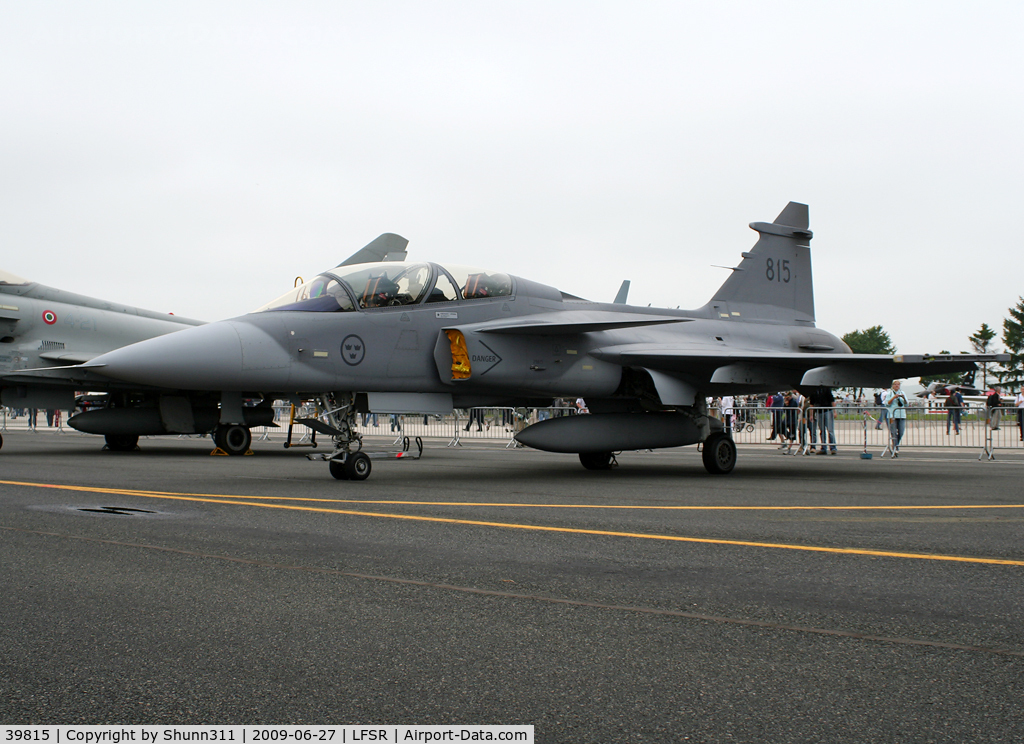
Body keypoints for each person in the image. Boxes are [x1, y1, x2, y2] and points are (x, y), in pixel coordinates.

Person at [883, 379, 909, 456]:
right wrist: (894, 397)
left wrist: (903, 398)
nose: (897, 386)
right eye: (895, 384)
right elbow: (887, 404)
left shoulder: (902, 392)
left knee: (901, 432)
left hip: (901, 415)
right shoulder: (889, 393)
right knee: (893, 432)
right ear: (892, 385)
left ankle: (895, 444)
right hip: (892, 415)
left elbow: (906, 404)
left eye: (898, 384)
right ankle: (895, 447)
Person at [810, 386, 837, 454]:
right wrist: (811, 414)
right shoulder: (813, 391)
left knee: (830, 430)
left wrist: (834, 411)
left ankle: (833, 447)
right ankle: (823, 448)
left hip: (827, 410)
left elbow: (832, 400)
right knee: (822, 430)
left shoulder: (826, 389)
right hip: (819, 411)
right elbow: (812, 403)